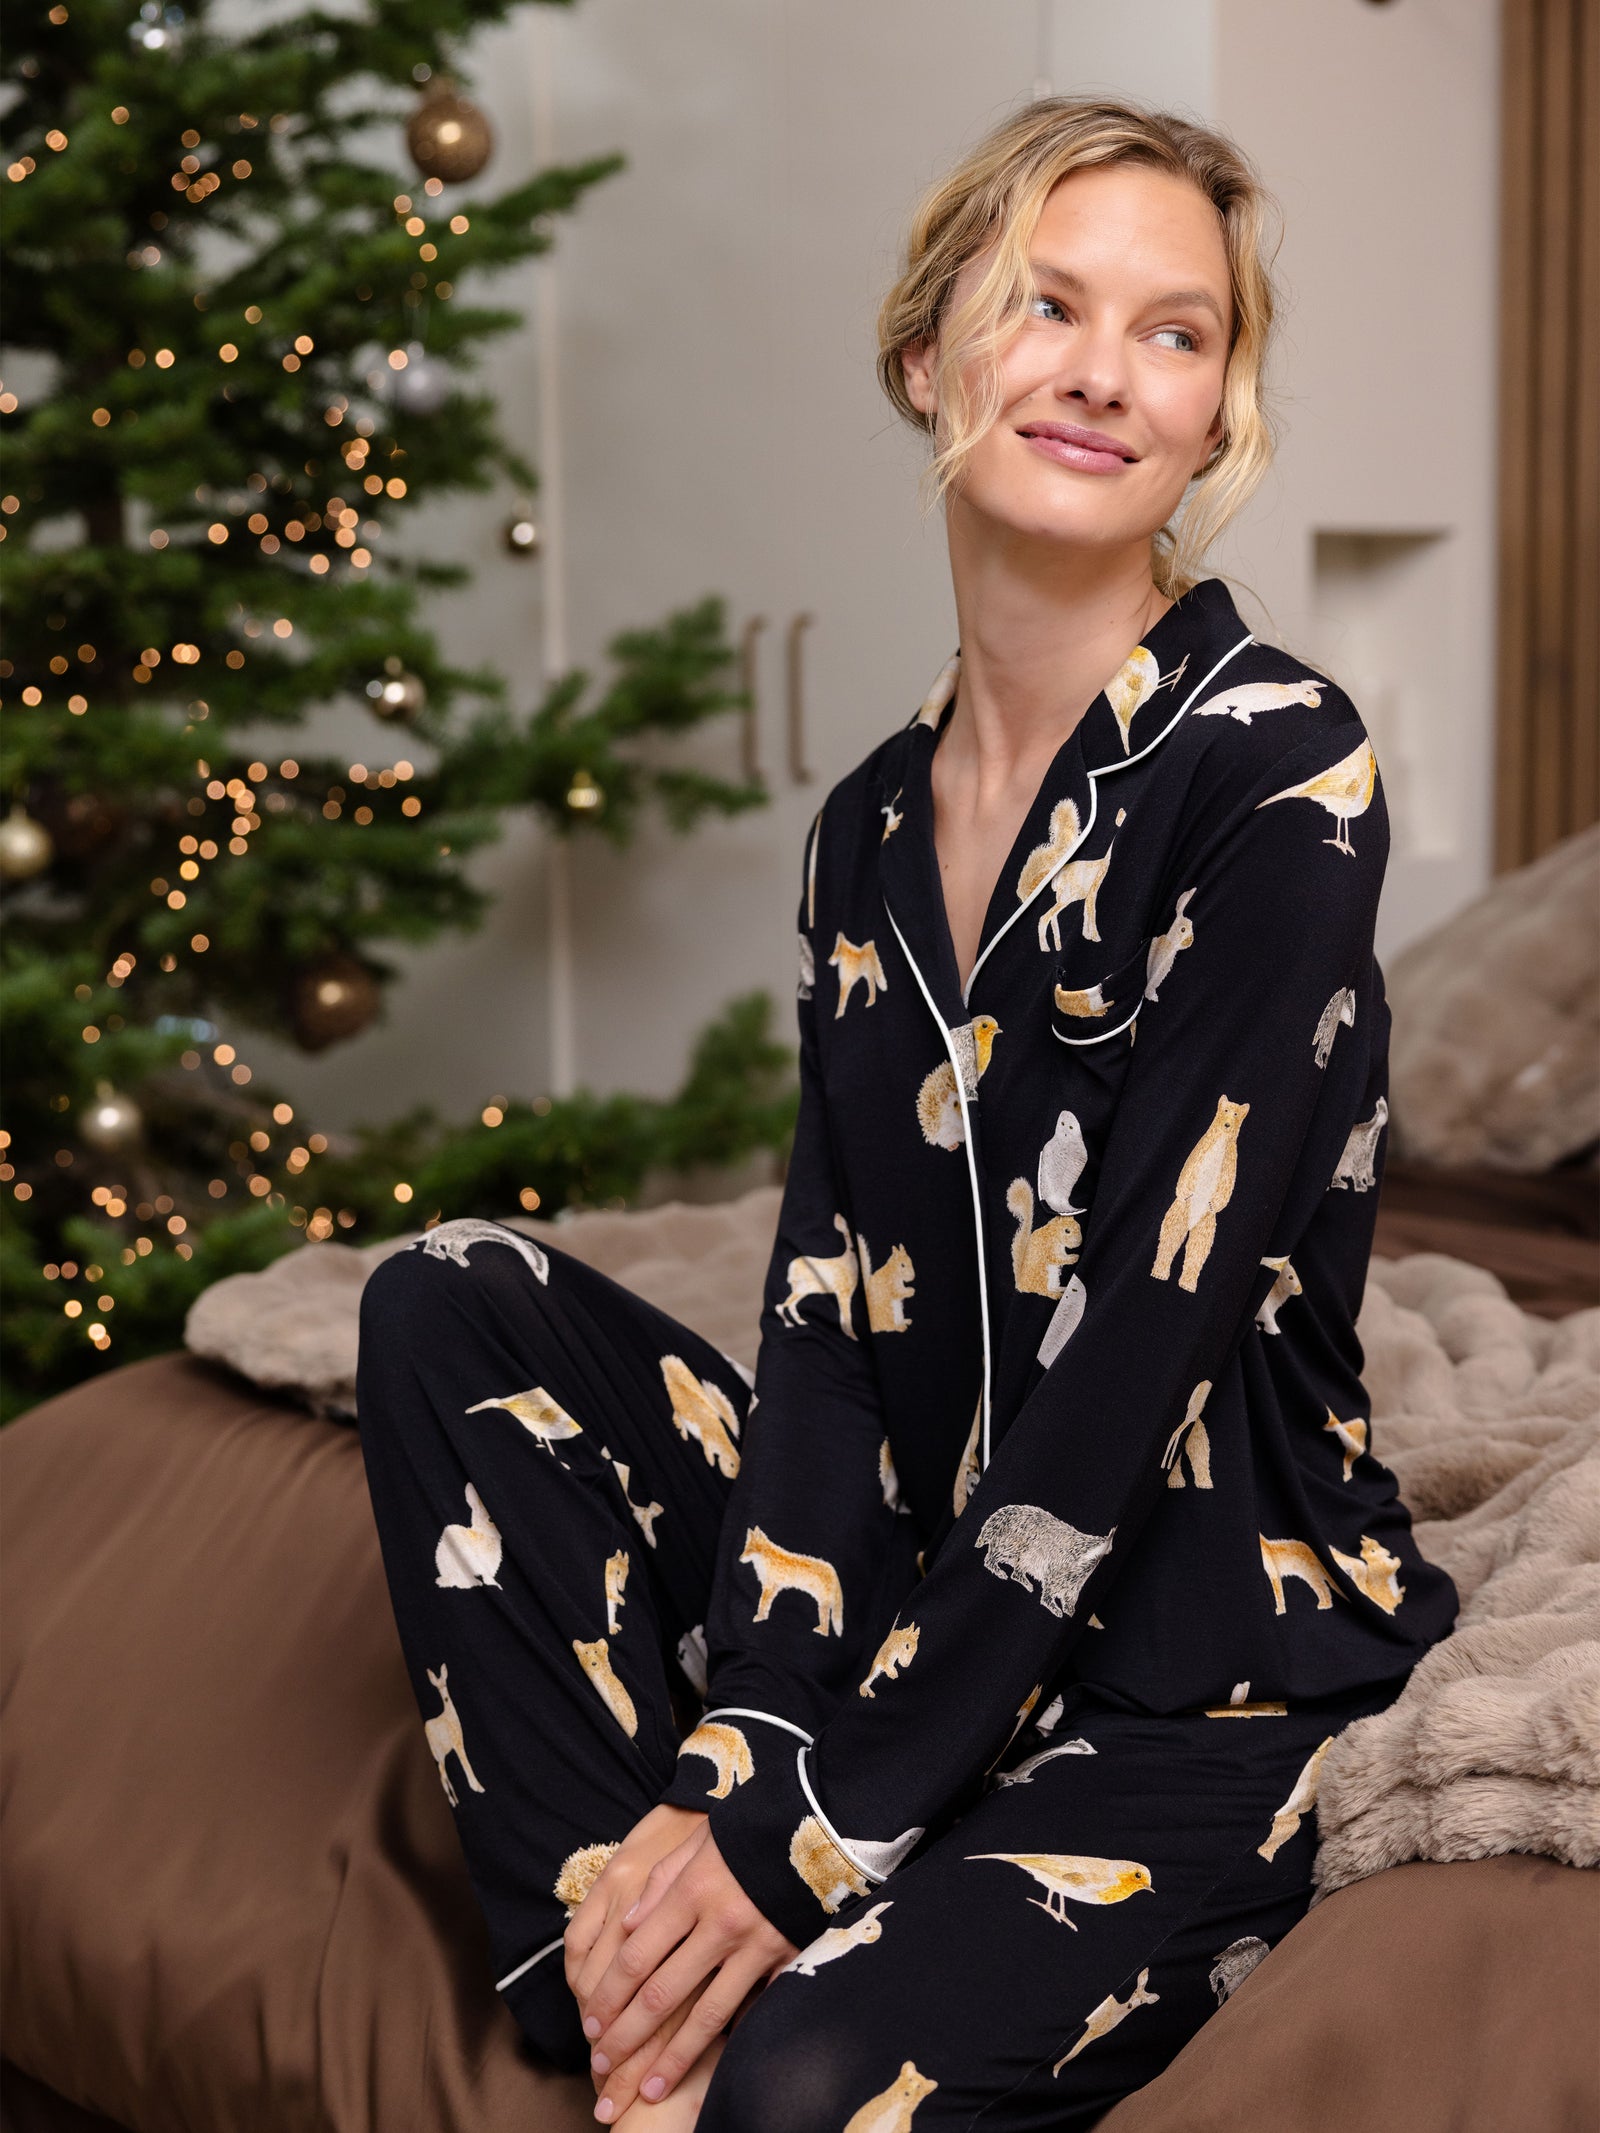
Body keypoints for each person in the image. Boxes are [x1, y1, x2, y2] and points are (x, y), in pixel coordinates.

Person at [355, 94, 1460, 2131]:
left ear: (1213, 416)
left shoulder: (1275, 766)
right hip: (913, 1594)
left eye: (1175, 330)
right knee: (443, 1295)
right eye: (1045, 303)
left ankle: (711, 2012)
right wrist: (750, 1729)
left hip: (1195, 1660)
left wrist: (819, 1813)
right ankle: (621, 1962)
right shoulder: (865, 824)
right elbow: (820, 1314)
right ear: (922, 354)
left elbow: (1145, 1326)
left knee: (803, 2083)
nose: (1105, 371)